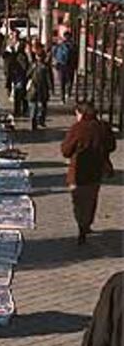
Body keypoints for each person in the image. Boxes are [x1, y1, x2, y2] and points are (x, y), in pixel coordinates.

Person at [61, 101, 116, 244]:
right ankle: (87, 223)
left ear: (81, 113)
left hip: (78, 170)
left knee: (78, 200)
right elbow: (112, 145)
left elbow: (66, 150)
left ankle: (82, 225)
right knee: (91, 198)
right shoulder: (102, 127)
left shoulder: (77, 128)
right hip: (96, 170)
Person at [27, 51, 52, 129]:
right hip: (34, 87)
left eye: (40, 56)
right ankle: (34, 121)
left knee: (43, 105)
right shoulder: (34, 65)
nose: (39, 58)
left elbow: (49, 78)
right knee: (34, 105)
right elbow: (27, 75)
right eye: (38, 56)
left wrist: (50, 87)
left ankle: (40, 120)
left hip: (42, 88)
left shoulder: (45, 67)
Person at [53, 31, 77, 103]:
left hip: (61, 65)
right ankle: (68, 93)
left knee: (62, 82)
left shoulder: (60, 44)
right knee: (70, 81)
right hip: (70, 66)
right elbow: (76, 56)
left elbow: (54, 53)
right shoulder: (73, 45)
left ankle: (62, 97)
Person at [8, 39, 30, 117]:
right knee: (22, 95)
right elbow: (26, 67)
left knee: (19, 95)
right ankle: (23, 110)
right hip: (21, 77)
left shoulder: (18, 55)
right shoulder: (22, 56)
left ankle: (18, 111)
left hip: (18, 77)